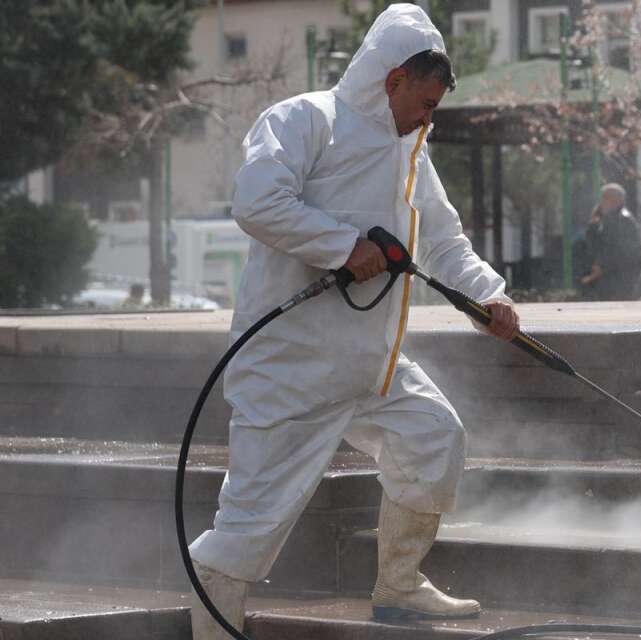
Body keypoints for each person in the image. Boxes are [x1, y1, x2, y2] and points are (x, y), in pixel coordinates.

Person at [186, 6, 519, 637]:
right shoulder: (304, 119)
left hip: (373, 364)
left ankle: (399, 585)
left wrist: (490, 300)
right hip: (292, 368)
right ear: (391, 80)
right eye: (423, 101)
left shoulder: (411, 152)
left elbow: (445, 243)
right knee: (244, 532)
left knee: (434, 438)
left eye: (435, 105)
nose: (429, 117)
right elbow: (257, 201)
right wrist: (345, 247)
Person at [579, 183, 640, 300]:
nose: (602, 202)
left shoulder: (623, 220)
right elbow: (593, 245)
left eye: (606, 198)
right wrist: (593, 226)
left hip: (618, 281)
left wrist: (602, 266)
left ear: (618, 200)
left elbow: (621, 250)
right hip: (607, 280)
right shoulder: (606, 219)